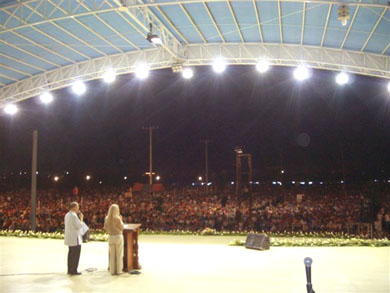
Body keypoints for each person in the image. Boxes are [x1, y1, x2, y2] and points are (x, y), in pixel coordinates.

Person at [104, 204, 124, 275]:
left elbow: (105, 228)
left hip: (110, 237)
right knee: (119, 254)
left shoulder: (107, 218)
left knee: (111, 255)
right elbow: (122, 227)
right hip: (118, 236)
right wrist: (121, 220)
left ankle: (112, 271)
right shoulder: (117, 218)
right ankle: (119, 270)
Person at [64, 202, 83, 275]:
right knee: (75, 255)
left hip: (70, 237)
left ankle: (70, 269)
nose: (78, 209)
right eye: (77, 207)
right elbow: (79, 225)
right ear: (74, 207)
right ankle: (74, 270)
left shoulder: (67, 215)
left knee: (70, 254)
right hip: (75, 238)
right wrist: (81, 219)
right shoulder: (74, 216)